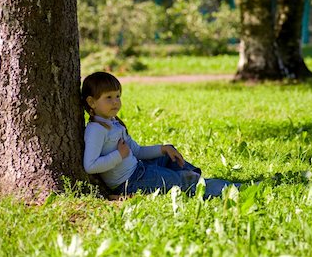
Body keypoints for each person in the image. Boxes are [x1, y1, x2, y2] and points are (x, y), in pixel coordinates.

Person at [81, 71, 240, 198]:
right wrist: (118, 155)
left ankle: (195, 180)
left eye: (117, 96)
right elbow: (90, 166)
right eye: (108, 97)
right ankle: (230, 189)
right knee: (183, 181)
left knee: (168, 157)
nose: (115, 102)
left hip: (139, 169)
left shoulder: (113, 123)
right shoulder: (96, 130)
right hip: (131, 181)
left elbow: (136, 151)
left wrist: (162, 149)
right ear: (91, 102)